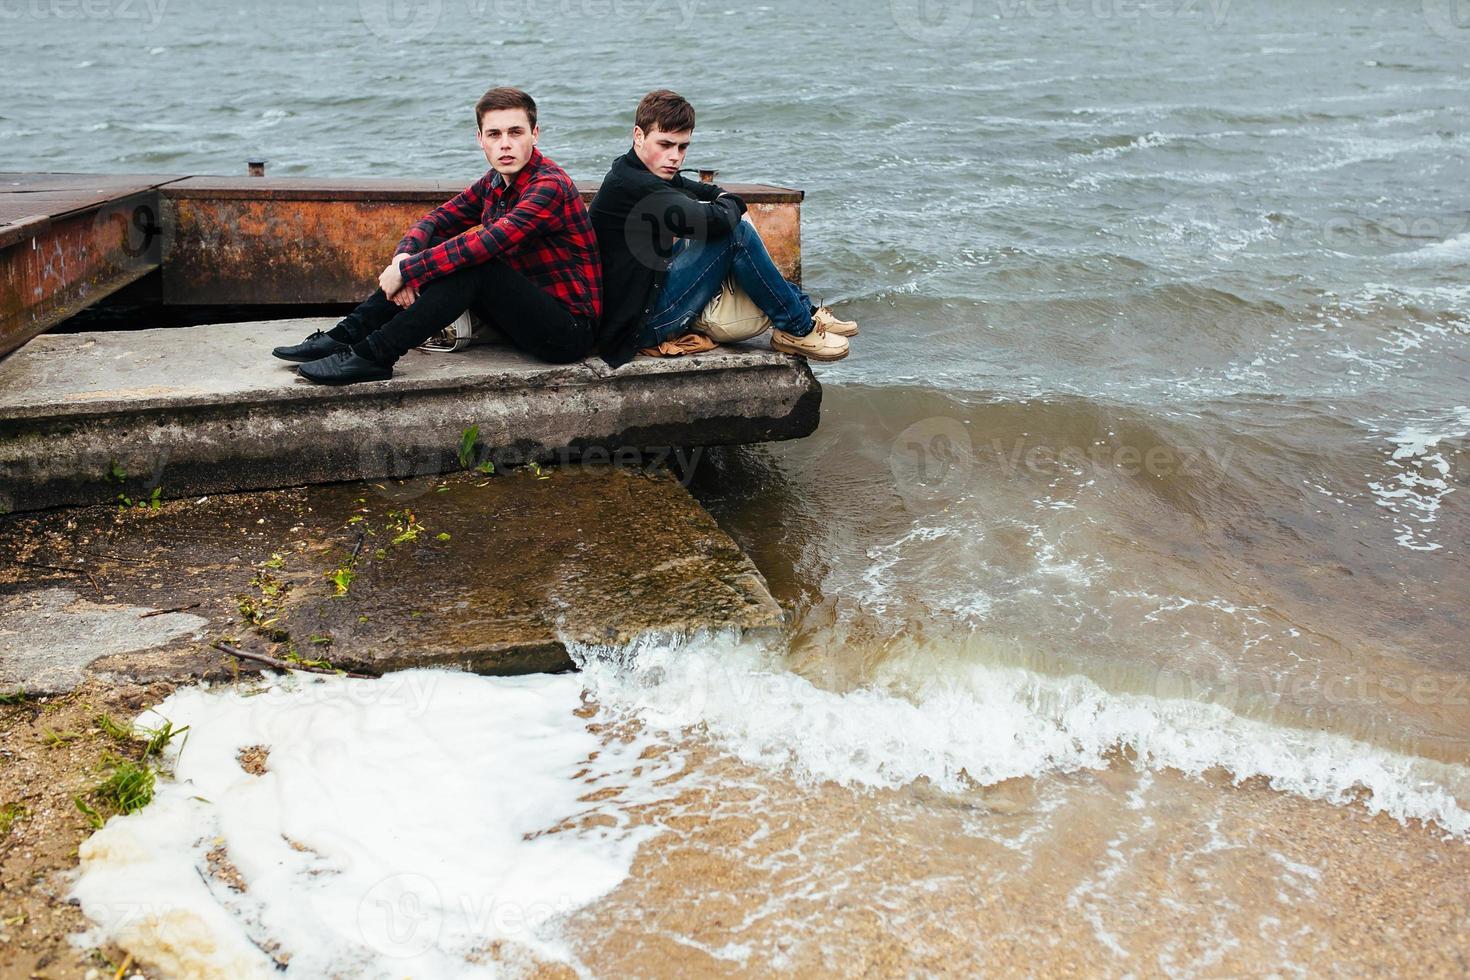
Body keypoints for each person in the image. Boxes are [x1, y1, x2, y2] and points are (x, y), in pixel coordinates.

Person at [273, 87, 602, 384]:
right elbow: (437, 219)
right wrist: (403, 257)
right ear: (480, 139)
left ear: (535, 134)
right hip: (519, 318)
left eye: (515, 132)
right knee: (451, 259)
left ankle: (374, 355)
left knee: (476, 264)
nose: (505, 143)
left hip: (567, 332)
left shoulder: (549, 186)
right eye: (494, 134)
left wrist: (406, 271)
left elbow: (488, 243)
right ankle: (344, 336)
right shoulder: (494, 182)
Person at [588, 89, 857, 369]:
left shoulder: (633, 170)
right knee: (736, 235)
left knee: (721, 234)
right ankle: (799, 328)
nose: (675, 157)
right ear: (638, 135)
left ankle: (804, 310)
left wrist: (721, 196)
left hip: (645, 295)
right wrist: (729, 200)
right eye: (665, 144)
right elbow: (718, 220)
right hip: (639, 327)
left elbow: (696, 188)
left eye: (682, 147)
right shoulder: (639, 186)